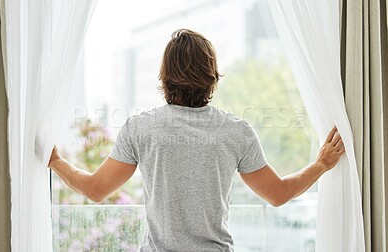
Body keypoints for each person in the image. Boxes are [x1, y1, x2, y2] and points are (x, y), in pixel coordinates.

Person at [48, 29, 345, 252]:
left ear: (165, 76)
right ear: (212, 76)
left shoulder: (141, 128)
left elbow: (96, 189)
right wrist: (321, 164)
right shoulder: (236, 131)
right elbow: (278, 194)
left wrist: (56, 161)